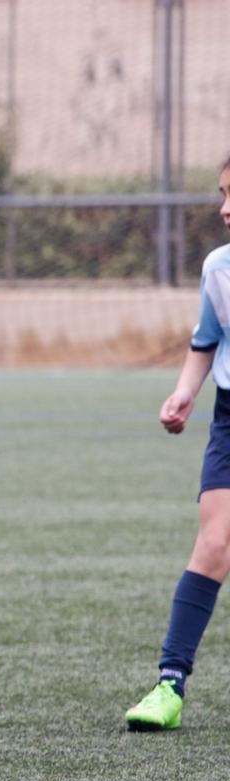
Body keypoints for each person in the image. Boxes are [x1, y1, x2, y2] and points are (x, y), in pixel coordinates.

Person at [124, 154, 230, 731]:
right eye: (222, 193)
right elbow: (206, 340)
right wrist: (185, 392)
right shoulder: (219, 268)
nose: (225, 207)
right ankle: (170, 685)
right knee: (214, 544)